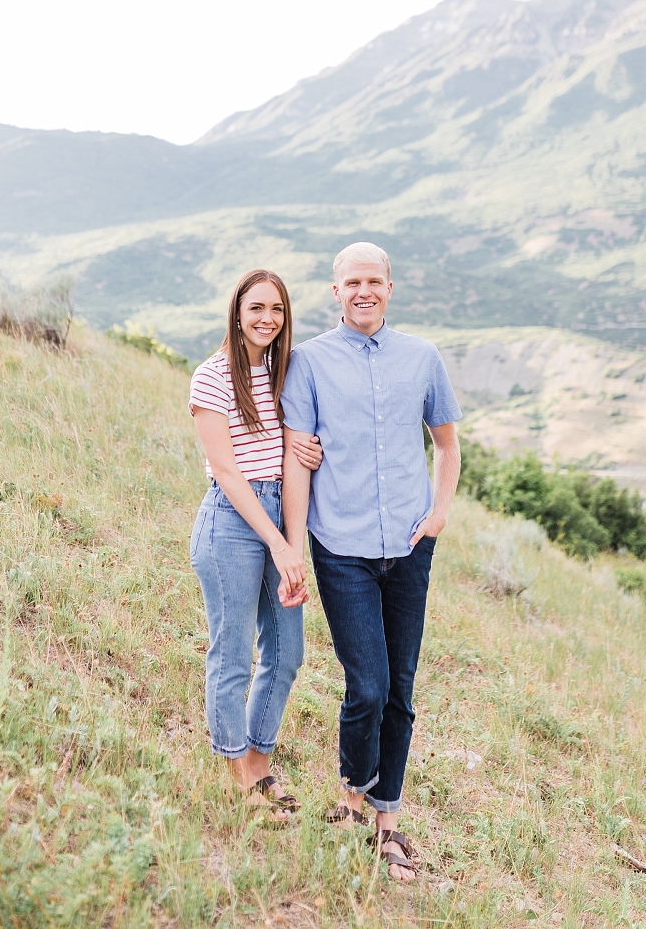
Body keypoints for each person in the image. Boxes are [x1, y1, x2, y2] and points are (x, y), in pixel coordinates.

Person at [281, 242, 462, 879]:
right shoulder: (307, 363)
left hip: (411, 547)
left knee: (402, 692)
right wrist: (295, 545)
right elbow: (295, 457)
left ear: (391, 286)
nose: (364, 291)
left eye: (374, 281)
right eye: (352, 281)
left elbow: (446, 443)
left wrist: (439, 512)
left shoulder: (423, 358)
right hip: (343, 549)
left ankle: (386, 820)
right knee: (369, 686)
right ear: (336, 291)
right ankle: (349, 799)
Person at [188, 268, 321, 817]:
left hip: (279, 517)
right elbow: (227, 470)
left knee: (288, 652)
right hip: (232, 523)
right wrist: (279, 545)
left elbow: (293, 454)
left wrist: (294, 543)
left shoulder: (283, 374)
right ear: (237, 312)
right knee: (234, 653)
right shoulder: (213, 377)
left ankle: (260, 759)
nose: (267, 319)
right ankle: (237, 770)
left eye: (277, 310)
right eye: (257, 308)